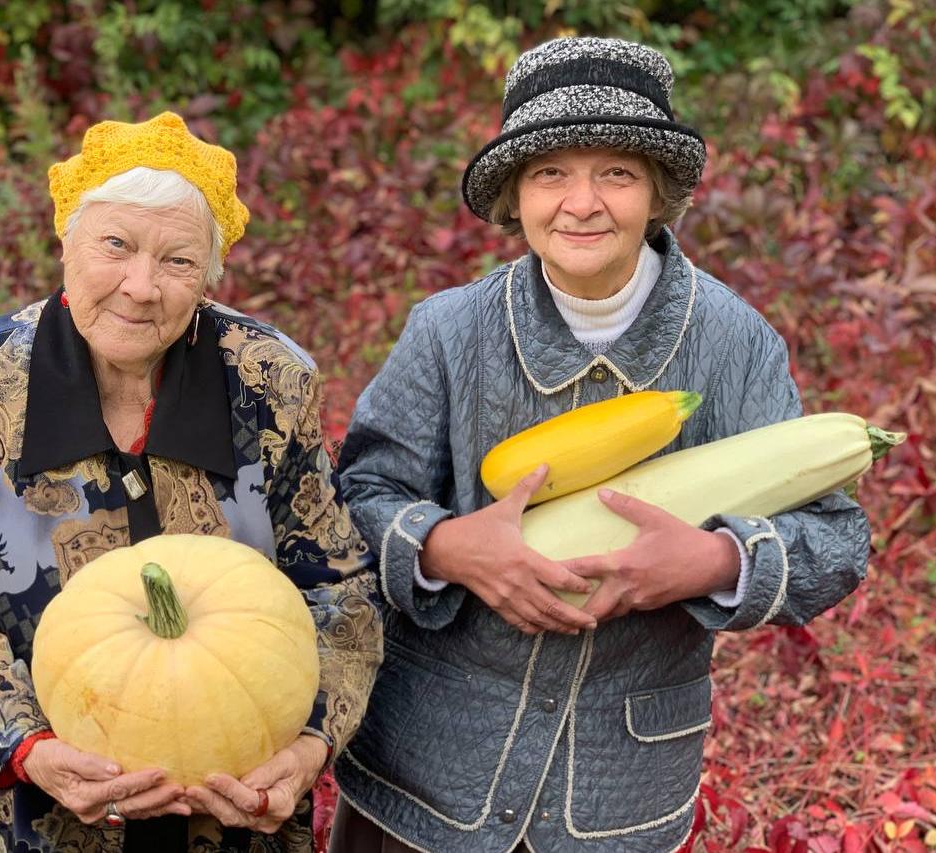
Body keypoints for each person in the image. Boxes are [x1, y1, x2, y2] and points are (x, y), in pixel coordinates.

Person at [330, 37, 869, 853]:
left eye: (615, 172)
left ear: (658, 191)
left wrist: (713, 562)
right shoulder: (448, 333)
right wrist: (446, 546)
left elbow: (837, 539)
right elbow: (358, 498)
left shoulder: (733, 344)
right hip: (426, 778)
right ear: (516, 192)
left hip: (618, 793)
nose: (581, 202)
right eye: (551, 172)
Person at [0, 111, 383, 852]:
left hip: (233, 816)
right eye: (114, 245)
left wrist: (308, 746)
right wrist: (31, 751)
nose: (141, 286)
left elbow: (340, 595)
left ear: (209, 277)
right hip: (31, 825)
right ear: (67, 242)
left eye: (178, 261)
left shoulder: (269, 381)